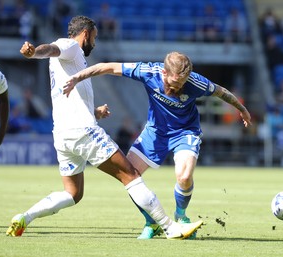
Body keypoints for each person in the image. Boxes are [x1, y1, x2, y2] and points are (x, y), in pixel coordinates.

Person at [5, 15, 202, 239]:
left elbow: (69, 94)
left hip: (62, 135)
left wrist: (94, 112)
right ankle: (170, 227)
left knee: (73, 193)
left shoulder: (67, 63)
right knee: (131, 174)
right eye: (95, 37)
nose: (95, 43)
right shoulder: (70, 46)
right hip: (83, 131)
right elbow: (51, 48)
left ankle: (25, 217)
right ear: (86, 34)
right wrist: (34, 53)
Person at [63, 51, 252, 239]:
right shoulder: (148, 71)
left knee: (184, 176)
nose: (178, 87)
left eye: (181, 84)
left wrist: (242, 110)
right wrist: (77, 78)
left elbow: (222, 92)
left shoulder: (195, 82)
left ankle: (181, 216)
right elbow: (107, 67)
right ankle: (152, 222)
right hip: (154, 132)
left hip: (185, 131)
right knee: (129, 176)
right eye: (174, 83)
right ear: (164, 72)